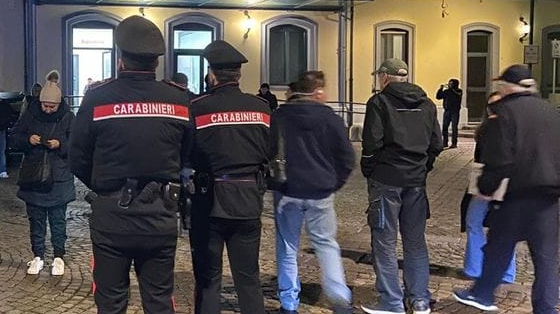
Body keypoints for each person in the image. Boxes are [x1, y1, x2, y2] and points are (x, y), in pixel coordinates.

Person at [70, 15, 192, 314]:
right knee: (159, 301)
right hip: (160, 216)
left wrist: (105, 184)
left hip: (112, 218)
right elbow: (188, 154)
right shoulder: (179, 99)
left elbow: (77, 158)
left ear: (120, 59)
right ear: (155, 63)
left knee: (110, 303)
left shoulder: (98, 98)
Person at [454, 65, 560, 314]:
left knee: (499, 246)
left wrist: (485, 187)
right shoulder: (552, 112)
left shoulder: (503, 113)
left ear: (509, 86)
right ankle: (545, 308)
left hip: (516, 195)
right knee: (546, 259)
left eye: (501, 84)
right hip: (549, 199)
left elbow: (500, 159)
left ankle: (482, 294)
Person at [187, 40, 269, 314]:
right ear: (239, 75)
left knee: (209, 281)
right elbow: (271, 152)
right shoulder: (261, 108)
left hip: (208, 201)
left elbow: (186, 153)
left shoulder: (198, 107)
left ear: (211, 74)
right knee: (248, 280)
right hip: (248, 200)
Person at [360, 58, 442, 314]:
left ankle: (391, 301)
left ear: (385, 77)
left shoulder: (379, 102)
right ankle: (419, 300)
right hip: (416, 183)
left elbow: (372, 143)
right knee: (415, 242)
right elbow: (436, 144)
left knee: (384, 242)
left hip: (386, 180)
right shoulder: (427, 104)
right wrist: (422, 168)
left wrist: (370, 169)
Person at [269, 71, 354, 314]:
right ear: (317, 91)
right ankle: (339, 297)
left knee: (287, 246)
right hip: (320, 191)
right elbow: (347, 158)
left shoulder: (279, 116)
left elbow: (269, 151)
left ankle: (289, 303)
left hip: (287, 191)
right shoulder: (329, 117)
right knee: (326, 243)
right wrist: (333, 182)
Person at [10, 70, 76, 277]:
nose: (47, 110)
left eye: (52, 106)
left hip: (59, 177)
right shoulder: (30, 113)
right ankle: (38, 256)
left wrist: (61, 144)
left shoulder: (68, 116)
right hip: (34, 176)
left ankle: (58, 256)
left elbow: (77, 144)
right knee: (36, 220)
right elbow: (15, 136)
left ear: (59, 104)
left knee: (58, 220)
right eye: (44, 106)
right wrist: (28, 140)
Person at [461, 92, 516, 284]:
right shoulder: (490, 128)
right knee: (477, 222)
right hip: (488, 181)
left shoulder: (501, 128)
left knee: (498, 226)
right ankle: (479, 268)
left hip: (494, 182)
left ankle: (495, 271)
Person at [436, 78, 463, 148]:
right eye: (449, 83)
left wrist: (451, 89)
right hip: (447, 111)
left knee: (454, 128)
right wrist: (440, 89)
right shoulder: (446, 92)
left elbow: (458, 95)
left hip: (455, 111)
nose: (450, 85)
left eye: (451, 84)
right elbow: (438, 97)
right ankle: (445, 142)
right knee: (445, 127)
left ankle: (454, 143)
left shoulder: (459, 91)